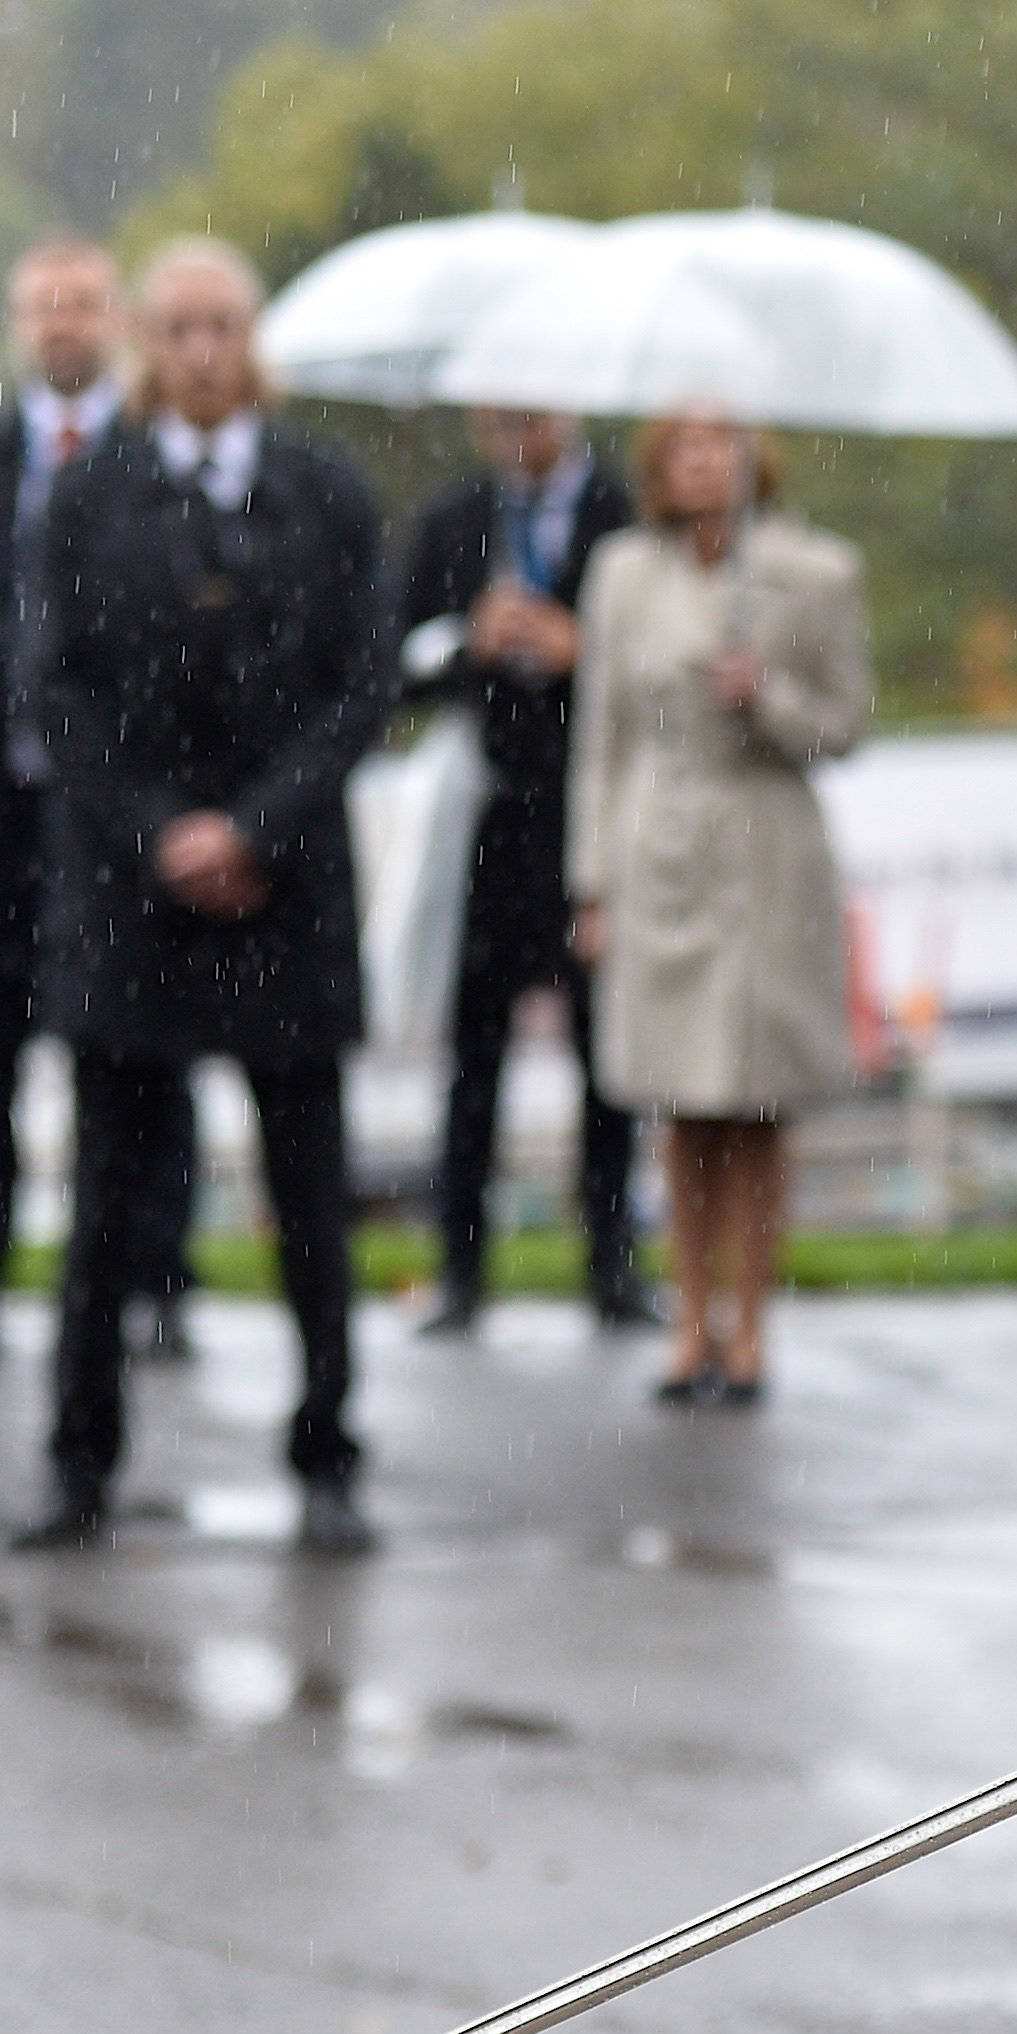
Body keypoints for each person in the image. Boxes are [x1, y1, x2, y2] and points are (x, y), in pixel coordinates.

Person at [13, 241, 392, 1557]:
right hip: (132, 901)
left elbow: (363, 687)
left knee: (309, 1196)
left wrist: (258, 827)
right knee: (107, 1209)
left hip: (286, 897)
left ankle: (329, 1456)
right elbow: (53, 693)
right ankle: (79, 1465)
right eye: (175, 328)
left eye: (221, 326)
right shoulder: (86, 498)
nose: (199, 351)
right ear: (141, 343)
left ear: (254, 339)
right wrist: (163, 829)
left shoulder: (328, 494)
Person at [0, 239, 195, 1366]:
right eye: (43, 307)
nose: (62, 324)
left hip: (121, 805)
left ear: (114, 320)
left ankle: (156, 1275)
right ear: (19, 323)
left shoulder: (156, 457)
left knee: (144, 1042)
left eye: (82, 305)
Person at [564, 404, 868, 1408]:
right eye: (683, 447)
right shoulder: (620, 573)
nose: (701, 464)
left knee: (755, 1099)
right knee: (679, 1096)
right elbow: (601, 737)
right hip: (661, 844)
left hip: (766, 849)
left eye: (720, 445)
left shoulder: (816, 571)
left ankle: (751, 1325)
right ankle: (687, 1316)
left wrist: (767, 695)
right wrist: (592, 882)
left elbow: (846, 722)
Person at [397, 403, 645, 1338]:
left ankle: (612, 1263)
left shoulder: (623, 515)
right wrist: (473, 642)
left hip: (590, 811)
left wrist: (587, 651)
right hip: (491, 817)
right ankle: (461, 1268)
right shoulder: (454, 518)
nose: (512, 423)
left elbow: (657, 664)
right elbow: (397, 657)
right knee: (475, 1055)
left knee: (606, 1056)